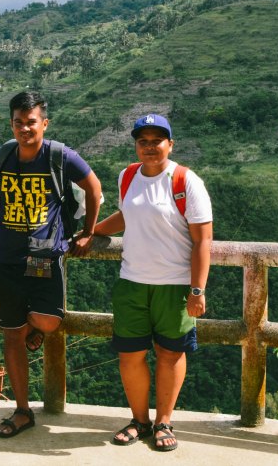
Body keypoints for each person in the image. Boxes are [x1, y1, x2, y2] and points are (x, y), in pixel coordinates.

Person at [0, 91, 102, 438]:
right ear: (12, 123)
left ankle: (32, 328)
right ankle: (21, 410)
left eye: (31, 122)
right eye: (19, 122)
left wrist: (89, 232)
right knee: (11, 336)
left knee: (49, 319)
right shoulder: (6, 153)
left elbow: (93, 188)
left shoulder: (60, 156)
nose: (25, 128)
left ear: (44, 123)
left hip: (44, 256)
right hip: (7, 258)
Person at [92, 113, 213, 452]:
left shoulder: (186, 182)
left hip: (175, 284)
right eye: (142, 141)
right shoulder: (127, 176)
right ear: (136, 145)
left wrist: (197, 290)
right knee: (130, 355)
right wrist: (94, 230)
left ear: (170, 145)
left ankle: (163, 422)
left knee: (170, 354)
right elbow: (129, 215)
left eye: (156, 141)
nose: (149, 147)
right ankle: (139, 421)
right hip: (132, 280)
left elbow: (203, 240)